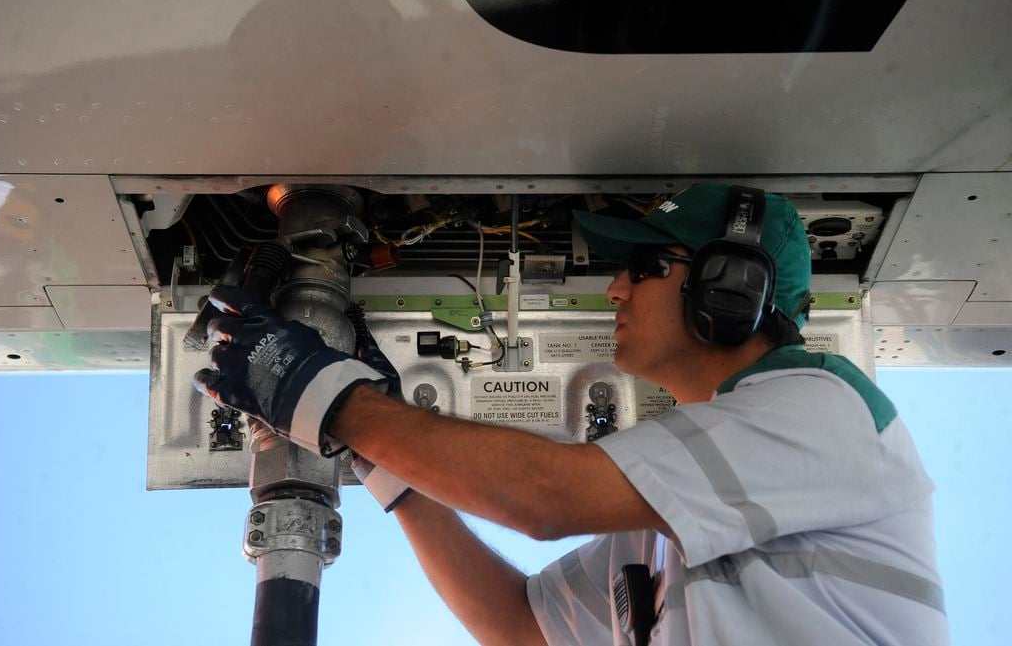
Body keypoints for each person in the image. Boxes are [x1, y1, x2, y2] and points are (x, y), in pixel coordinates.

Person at [195, 183, 948, 646]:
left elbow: (546, 499)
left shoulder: (826, 408)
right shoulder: (660, 520)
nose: (616, 290)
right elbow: (522, 626)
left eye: (647, 267)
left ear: (732, 286)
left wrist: (329, 395)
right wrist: (377, 447)